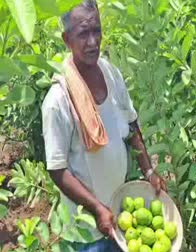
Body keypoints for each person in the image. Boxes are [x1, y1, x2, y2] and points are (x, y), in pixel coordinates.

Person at [41, 1, 167, 251]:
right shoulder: (58, 100)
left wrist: (149, 171)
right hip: (86, 229)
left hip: (120, 214)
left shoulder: (110, 72)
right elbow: (57, 170)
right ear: (67, 39)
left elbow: (131, 124)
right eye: (83, 33)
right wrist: (97, 209)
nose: (92, 42)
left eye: (96, 31)